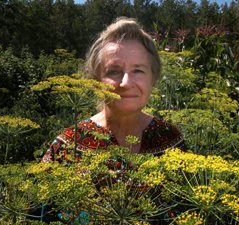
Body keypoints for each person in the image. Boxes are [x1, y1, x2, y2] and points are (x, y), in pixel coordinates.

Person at [42, 17, 185, 163]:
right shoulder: (68, 146)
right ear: (96, 80)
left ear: (153, 79)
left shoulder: (171, 140)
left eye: (138, 71)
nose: (126, 83)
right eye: (113, 72)